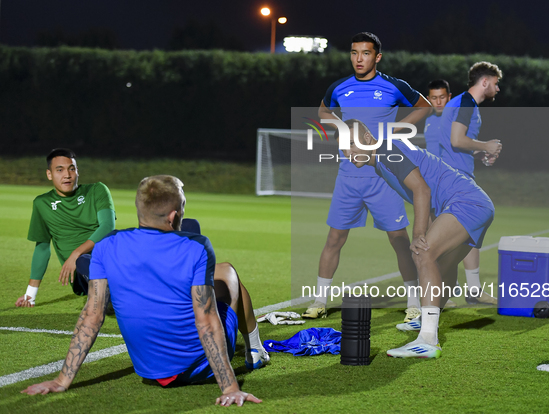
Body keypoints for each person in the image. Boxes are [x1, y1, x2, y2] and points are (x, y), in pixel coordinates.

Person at [22, 175, 267, 407]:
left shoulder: (106, 246)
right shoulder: (197, 246)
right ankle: (255, 350)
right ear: (173, 216)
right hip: (196, 367)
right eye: (182, 207)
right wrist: (229, 387)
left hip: (149, 370)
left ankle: (254, 350)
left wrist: (61, 380)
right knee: (227, 273)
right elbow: (206, 320)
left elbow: (92, 315)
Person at [304, 32, 431, 322]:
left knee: (399, 240)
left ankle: (413, 301)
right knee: (334, 239)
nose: (359, 59)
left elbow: (423, 105)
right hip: (347, 176)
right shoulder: (339, 87)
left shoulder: (392, 85)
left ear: (377, 57)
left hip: (384, 176)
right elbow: (323, 110)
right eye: (354, 53)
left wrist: (394, 129)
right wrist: (337, 124)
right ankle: (319, 300)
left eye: (365, 53)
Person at [342, 119, 495, 358]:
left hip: (466, 202)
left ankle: (427, 339)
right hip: (470, 203)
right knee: (440, 263)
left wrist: (419, 234)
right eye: (343, 147)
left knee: (422, 253)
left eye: (352, 143)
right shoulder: (380, 161)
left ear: (368, 139)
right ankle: (427, 319)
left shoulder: (387, 151)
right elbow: (430, 188)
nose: (348, 151)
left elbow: (421, 190)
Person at [15, 148, 116, 307]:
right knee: (85, 260)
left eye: (72, 169)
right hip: (82, 271)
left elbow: (108, 226)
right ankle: (110, 298)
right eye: (59, 170)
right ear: (49, 174)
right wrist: (30, 294)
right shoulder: (42, 204)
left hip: (108, 258)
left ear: (77, 172)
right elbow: (42, 247)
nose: (67, 175)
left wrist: (75, 253)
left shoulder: (97, 190)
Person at [438, 62, 503, 305]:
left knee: (471, 228)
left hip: (456, 175)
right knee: (475, 220)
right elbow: (456, 140)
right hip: (454, 179)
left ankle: (469, 289)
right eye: (496, 83)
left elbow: (459, 144)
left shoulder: (464, 104)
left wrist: (481, 153)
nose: (498, 88)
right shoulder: (465, 102)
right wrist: (486, 145)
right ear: (484, 82)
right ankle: (439, 294)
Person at [424, 79, 452, 156]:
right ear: (428, 99)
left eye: (442, 97)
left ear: (449, 97)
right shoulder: (429, 119)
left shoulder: (456, 119)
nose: (438, 102)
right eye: (434, 98)